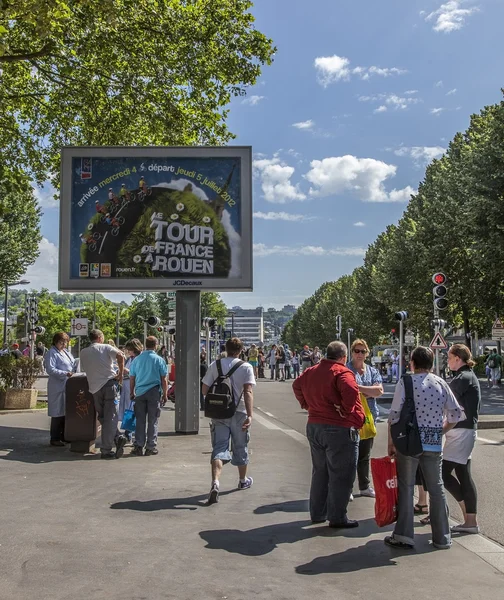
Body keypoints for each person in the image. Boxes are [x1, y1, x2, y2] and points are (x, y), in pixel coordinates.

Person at [385, 346, 464, 550]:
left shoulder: (407, 381)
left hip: (409, 441)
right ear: (432, 364)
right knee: (436, 488)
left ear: (412, 363)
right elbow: (455, 414)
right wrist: (440, 431)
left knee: (406, 486)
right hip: (433, 442)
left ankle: (404, 535)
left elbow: (394, 415)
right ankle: (442, 537)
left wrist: (391, 443)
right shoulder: (441, 383)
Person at [292, 341, 364, 528]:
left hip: (315, 425)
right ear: (343, 357)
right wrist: (346, 410)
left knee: (320, 472)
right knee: (342, 474)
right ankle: (338, 516)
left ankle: (317, 513)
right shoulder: (342, 372)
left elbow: (297, 385)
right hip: (338, 428)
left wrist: (306, 404)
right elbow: (350, 391)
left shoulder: (311, 371)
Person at [202, 337, 256, 505]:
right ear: (241, 350)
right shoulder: (246, 367)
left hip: (219, 413)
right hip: (239, 412)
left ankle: (215, 483)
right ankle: (242, 480)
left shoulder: (214, 365)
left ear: (225, 347)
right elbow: (248, 392)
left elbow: (204, 389)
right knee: (240, 446)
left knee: (219, 448)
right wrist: (250, 415)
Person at [443, 344, 481, 534]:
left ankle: (468, 515)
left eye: (449, 357)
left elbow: (443, 398)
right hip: (463, 431)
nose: (447, 361)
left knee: (442, 473)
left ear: (458, 358)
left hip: (461, 432)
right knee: (463, 474)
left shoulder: (463, 377)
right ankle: (470, 521)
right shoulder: (466, 376)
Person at [79, 329, 126, 459]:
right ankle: (107, 449)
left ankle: (118, 437)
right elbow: (121, 356)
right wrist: (120, 374)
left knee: (103, 417)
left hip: (94, 388)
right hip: (109, 385)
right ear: (100, 337)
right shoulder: (106, 347)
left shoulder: (83, 352)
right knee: (111, 417)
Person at [346, 339, 383, 498]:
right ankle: (347, 489)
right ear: (352, 352)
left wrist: (358, 388)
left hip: (369, 418)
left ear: (367, 354)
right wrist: (368, 391)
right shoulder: (346, 369)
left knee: (364, 454)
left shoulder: (372, 371)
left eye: (363, 351)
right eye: (357, 351)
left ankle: (364, 486)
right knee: (349, 455)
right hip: (350, 417)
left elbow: (379, 391)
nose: (359, 354)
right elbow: (346, 392)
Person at [129, 336, 168, 456]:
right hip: (154, 392)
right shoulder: (159, 360)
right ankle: (151, 447)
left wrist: (132, 392)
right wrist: (165, 394)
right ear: (156, 345)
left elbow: (132, 377)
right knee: (153, 420)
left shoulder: (137, 359)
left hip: (140, 393)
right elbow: (164, 379)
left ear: (145, 344)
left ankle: (138, 445)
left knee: (140, 420)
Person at [44, 332, 75, 446]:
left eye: (65, 342)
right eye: (61, 343)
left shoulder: (66, 352)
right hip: (57, 385)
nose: (64, 345)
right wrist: (66, 373)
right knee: (57, 413)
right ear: (55, 342)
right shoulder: (51, 353)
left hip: (67, 385)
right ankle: (55, 438)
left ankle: (64, 435)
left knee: (65, 412)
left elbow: (72, 363)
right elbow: (50, 369)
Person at [118, 338, 143, 442]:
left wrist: (127, 371)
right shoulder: (130, 358)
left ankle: (131, 433)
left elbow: (138, 373)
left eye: (129, 350)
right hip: (126, 386)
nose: (128, 352)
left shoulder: (140, 358)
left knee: (133, 411)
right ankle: (128, 432)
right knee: (128, 410)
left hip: (134, 387)